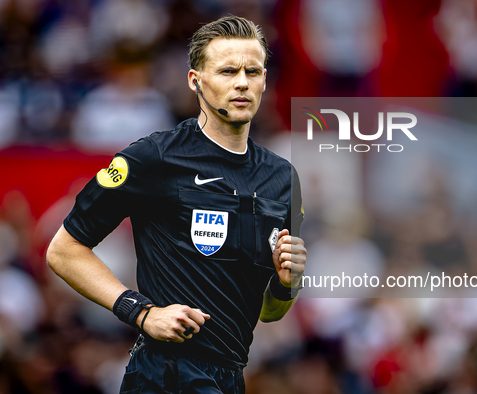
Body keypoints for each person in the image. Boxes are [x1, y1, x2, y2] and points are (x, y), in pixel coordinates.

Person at [46, 16, 306, 394]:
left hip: (231, 377)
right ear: (195, 81)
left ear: (265, 79)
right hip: (166, 373)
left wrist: (287, 283)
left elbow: (267, 311)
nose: (241, 83)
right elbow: (64, 251)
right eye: (227, 70)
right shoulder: (156, 158)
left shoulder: (282, 178)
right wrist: (141, 312)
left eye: (253, 71)